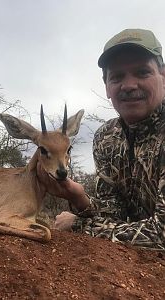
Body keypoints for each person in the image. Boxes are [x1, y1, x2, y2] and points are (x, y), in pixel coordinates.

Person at [38, 28, 165, 250]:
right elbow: (113, 214)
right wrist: (80, 199)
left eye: (142, 72)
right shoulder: (107, 137)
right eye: (117, 77)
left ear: (163, 76)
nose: (129, 85)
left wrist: (79, 226)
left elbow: (161, 233)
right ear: (106, 86)